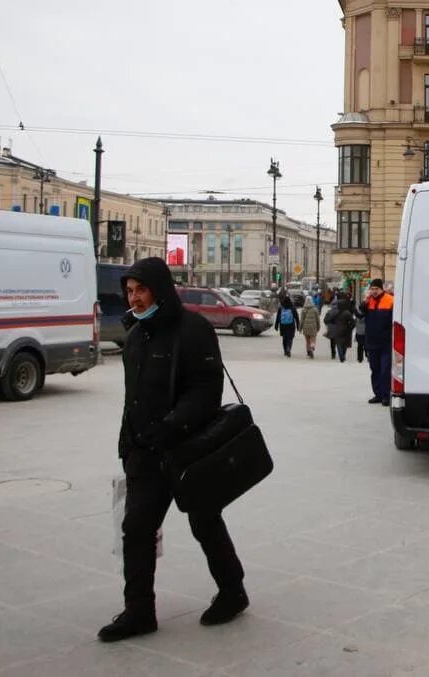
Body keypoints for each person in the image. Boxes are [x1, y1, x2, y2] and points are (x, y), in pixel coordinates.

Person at [98, 256, 247, 644]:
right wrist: (127, 441)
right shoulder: (136, 336)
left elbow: (205, 390)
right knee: (136, 529)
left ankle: (233, 592)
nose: (135, 299)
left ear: (160, 289)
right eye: (129, 292)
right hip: (146, 453)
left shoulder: (193, 330)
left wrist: (170, 427)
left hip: (189, 451)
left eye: (141, 290)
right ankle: (139, 612)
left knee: (205, 521)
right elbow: (133, 399)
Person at [359, 278, 394, 405]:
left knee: (385, 369)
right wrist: (365, 300)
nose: (374, 291)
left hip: (386, 342)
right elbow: (359, 314)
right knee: (375, 369)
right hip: (372, 341)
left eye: (376, 289)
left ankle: (386, 396)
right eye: (372, 289)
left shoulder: (390, 300)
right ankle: (378, 394)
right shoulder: (368, 302)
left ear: (382, 289)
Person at [325, 293, 356, 363]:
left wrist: (332, 324)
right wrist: (350, 328)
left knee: (338, 343)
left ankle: (341, 356)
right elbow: (353, 322)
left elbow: (327, 320)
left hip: (337, 329)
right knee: (344, 343)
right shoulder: (347, 313)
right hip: (346, 329)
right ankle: (343, 355)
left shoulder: (335, 312)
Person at [274, 293, 299, 357]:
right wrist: (298, 325)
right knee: (290, 338)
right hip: (291, 325)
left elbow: (278, 317)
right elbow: (296, 317)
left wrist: (276, 325)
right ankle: (288, 348)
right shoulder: (292, 307)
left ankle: (285, 350)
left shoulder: (281, 307)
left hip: (283, 325)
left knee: (284, 338)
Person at [298, 293, 321, 358]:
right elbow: (317, 319)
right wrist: (318, 327)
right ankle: (312, 347)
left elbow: (302, 320)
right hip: (313, 327)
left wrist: (300, 328)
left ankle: (308, 352)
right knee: (313, 339)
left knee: (307, 341)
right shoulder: (315, 309)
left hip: (305, 327)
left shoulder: (303, 309)